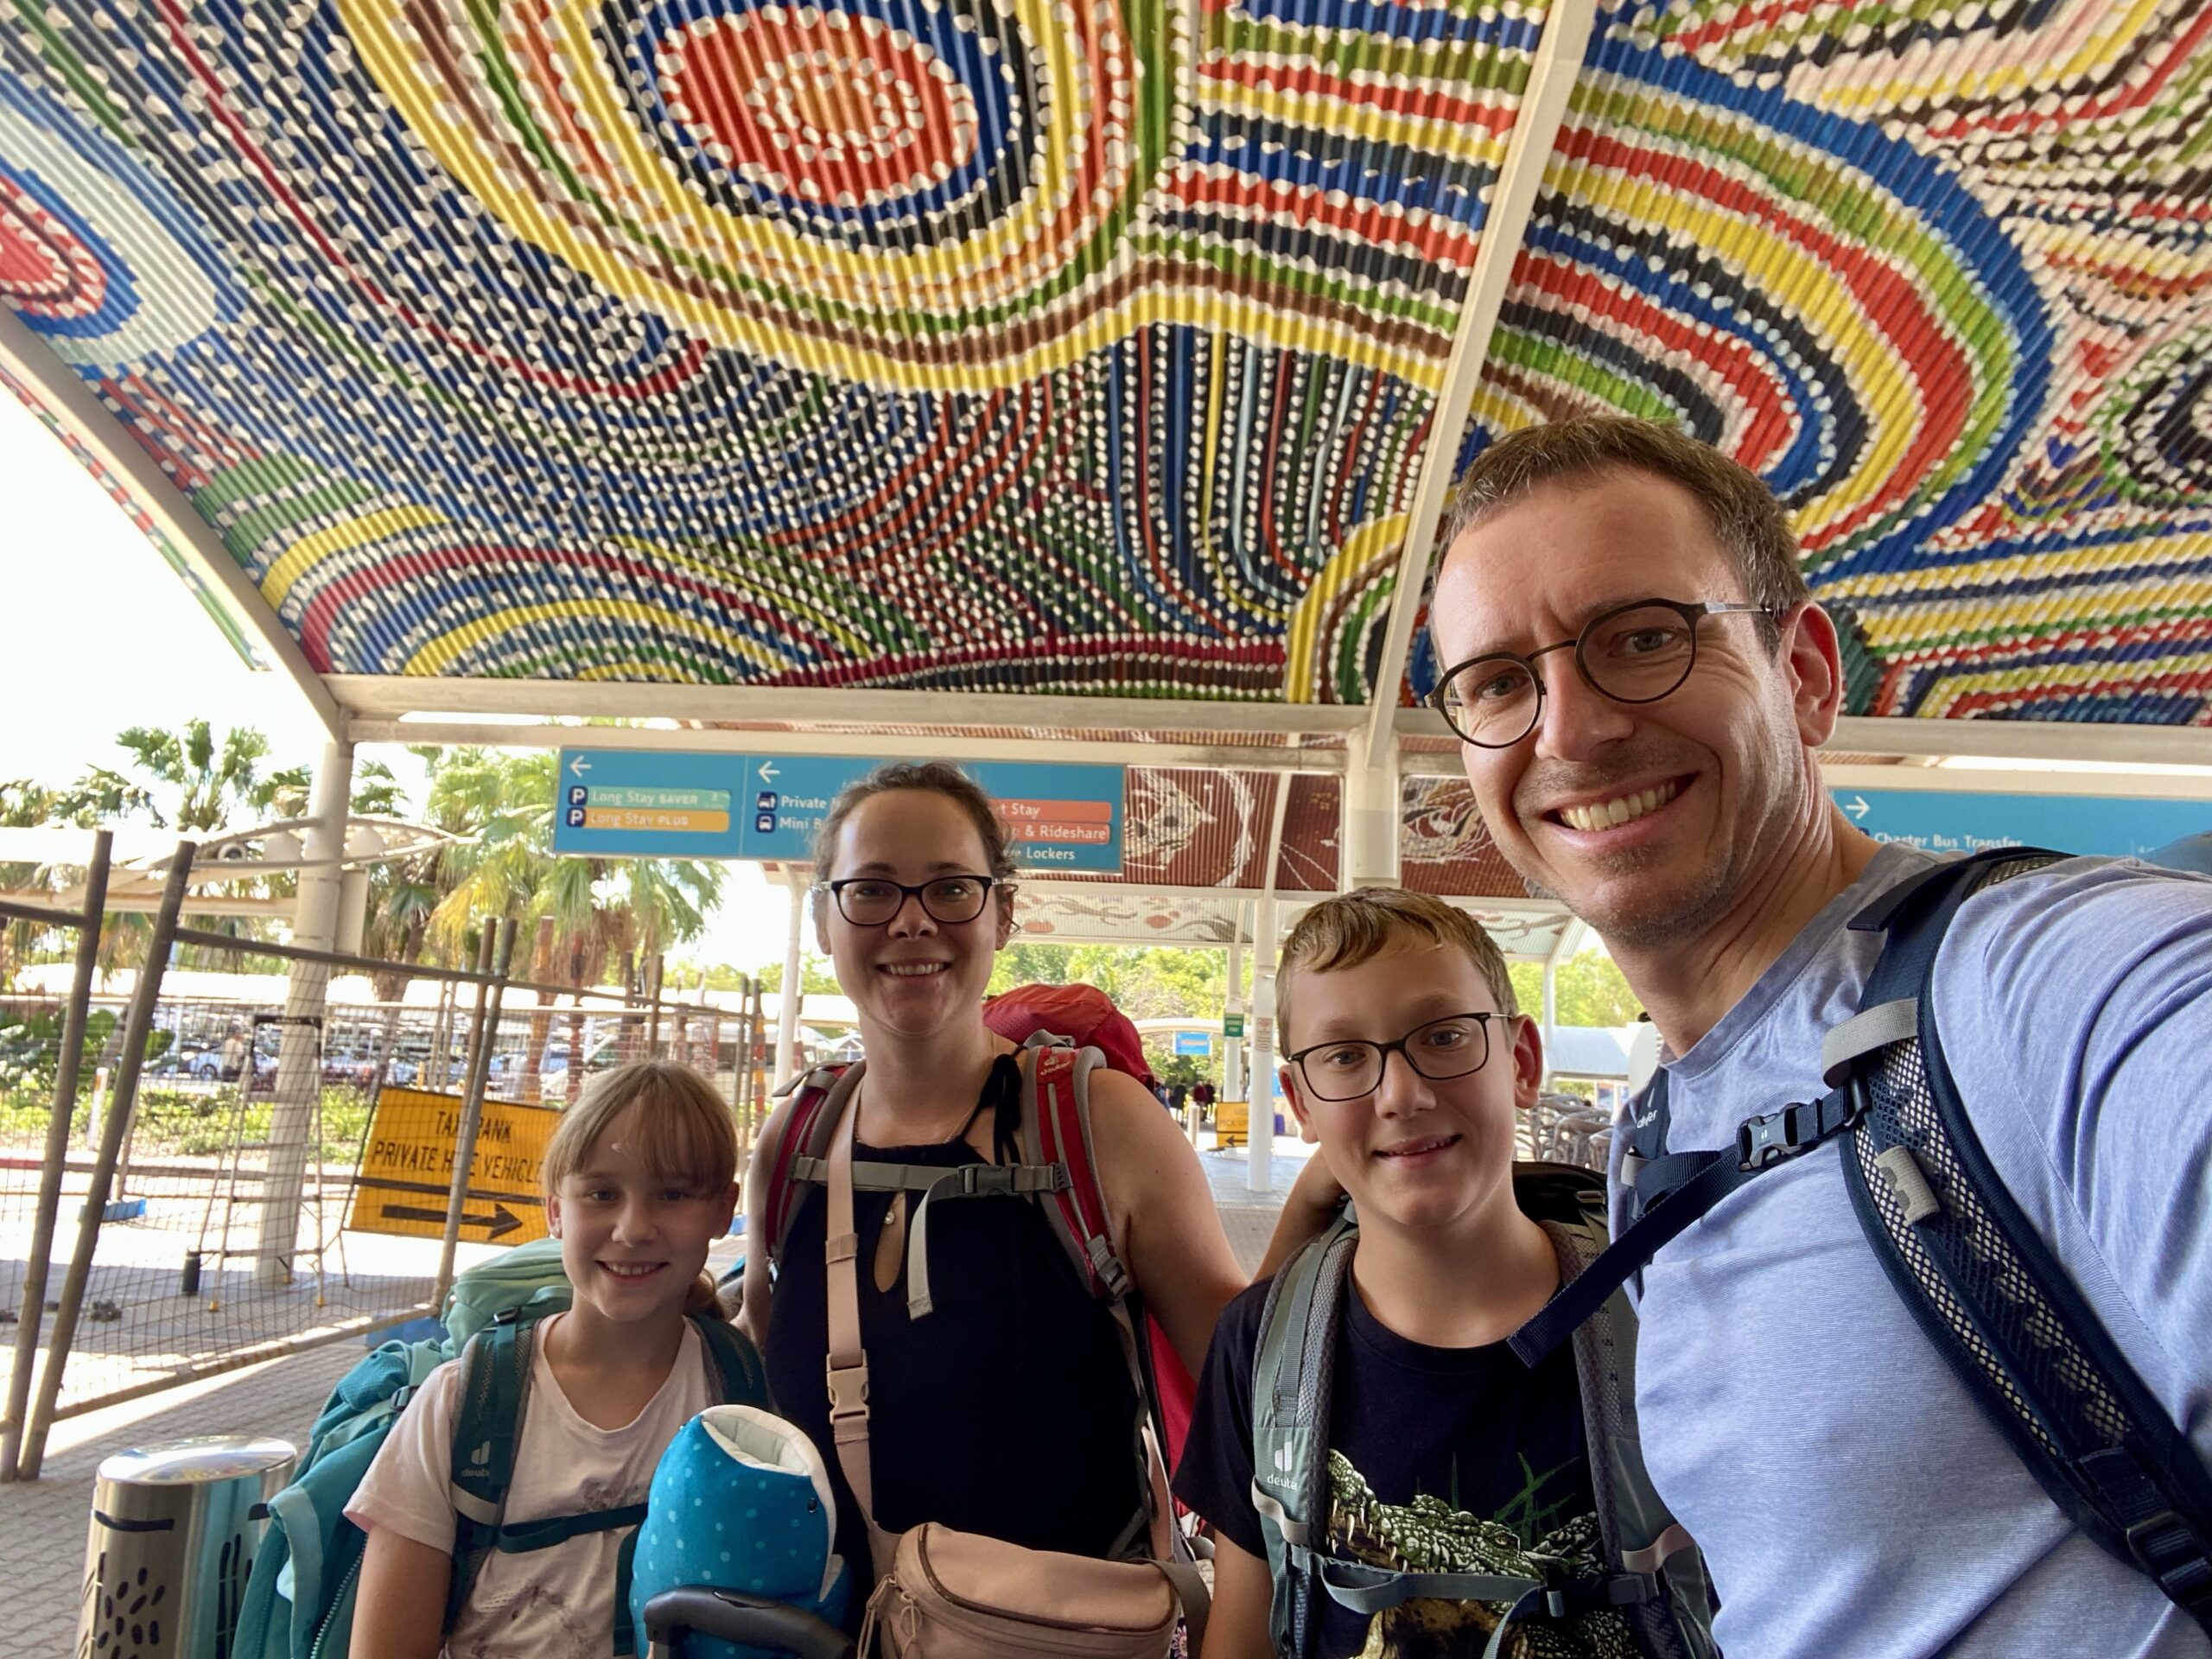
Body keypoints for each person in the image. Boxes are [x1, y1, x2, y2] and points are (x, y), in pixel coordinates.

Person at [1425, 414, 2212, 1656]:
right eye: (1498, 683)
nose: (1566, 732)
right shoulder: (1661, 1133)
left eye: (1643, 637)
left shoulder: (2046, 980)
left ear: (1802, 674)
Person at [740, 761, 1250, 1620]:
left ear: (1003, 913)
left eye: (950, 888)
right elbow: (761, 1396)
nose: (911, 920)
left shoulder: (1101, 1128)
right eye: (872, 889)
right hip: (826, 1631)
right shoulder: (795, 1139)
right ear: (824, 918)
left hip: (1058, 1639)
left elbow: (1253, 1409)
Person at [1174, 887, 1711, 1659]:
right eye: (1344, 1056)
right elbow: (1242, 1637)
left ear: (1521, 1062)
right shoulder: (1259, 1346)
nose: (1403, 1094)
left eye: (1445, 1037)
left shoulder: (1669, 1314)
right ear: (1301, 1101)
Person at [347, 1061, 746, 1658]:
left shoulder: (741, 1394)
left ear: (723, 1210)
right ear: (555, 1208)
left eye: (672, 1194)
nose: (633, 1229)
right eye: (602, 1194)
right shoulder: (463, 1404)